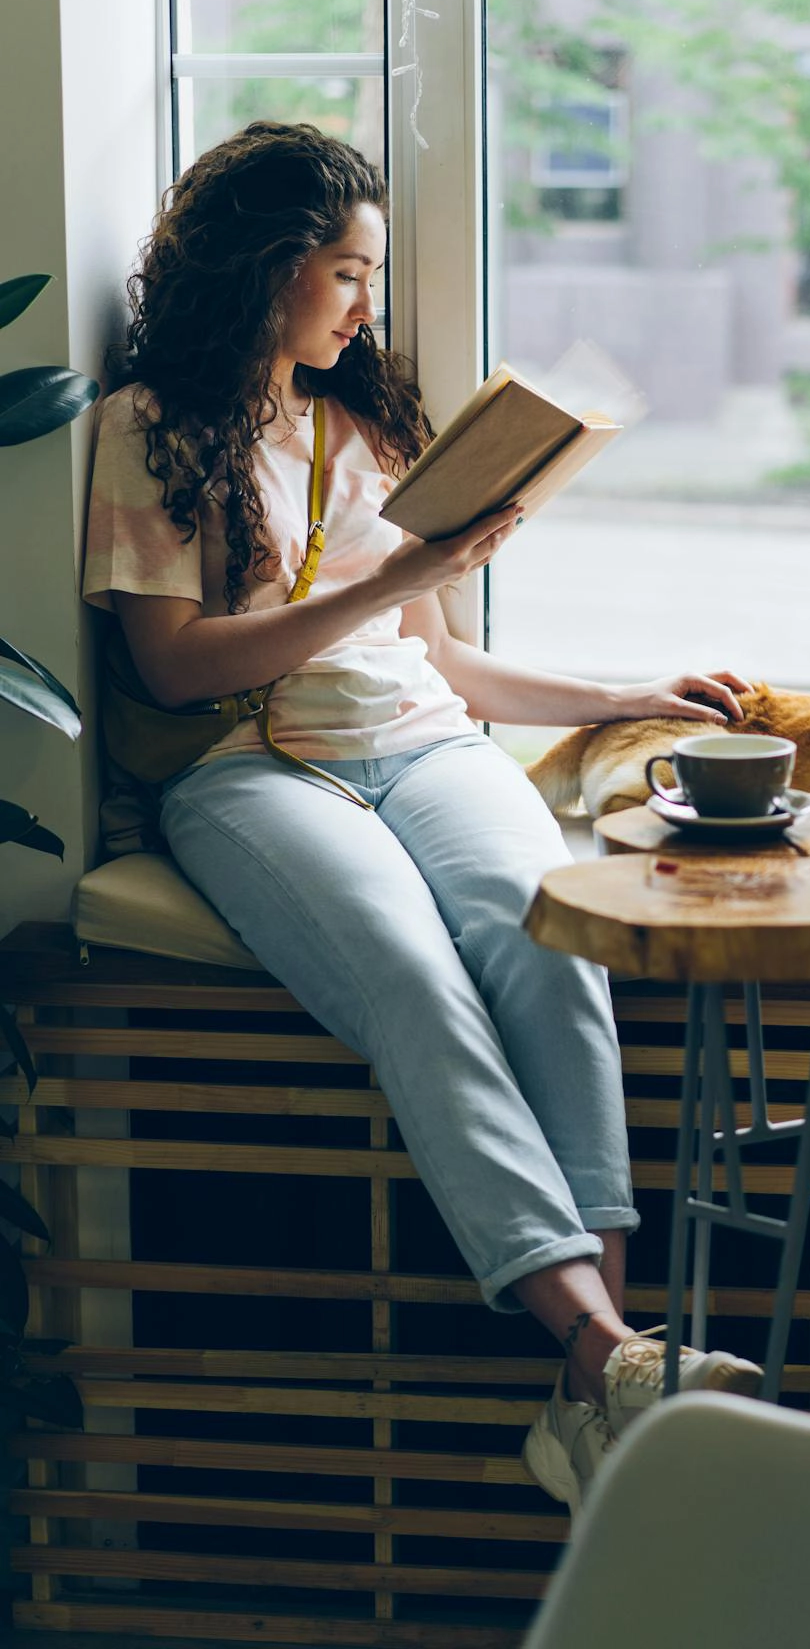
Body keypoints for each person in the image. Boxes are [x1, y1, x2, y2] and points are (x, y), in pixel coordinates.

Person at [81, 120, 762, 1515]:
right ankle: (610, 1353)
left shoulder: (369, 425)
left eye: (371, 274)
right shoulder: (147, 432)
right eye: (346, 272)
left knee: (553, 941)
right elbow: (173, 663)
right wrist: (399, 579)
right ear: (266, 272)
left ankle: (600, 1393)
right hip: (247, 770)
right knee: (412, 981)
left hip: (421, 745)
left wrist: (625, 693)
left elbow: (442, 664)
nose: (366, 305)